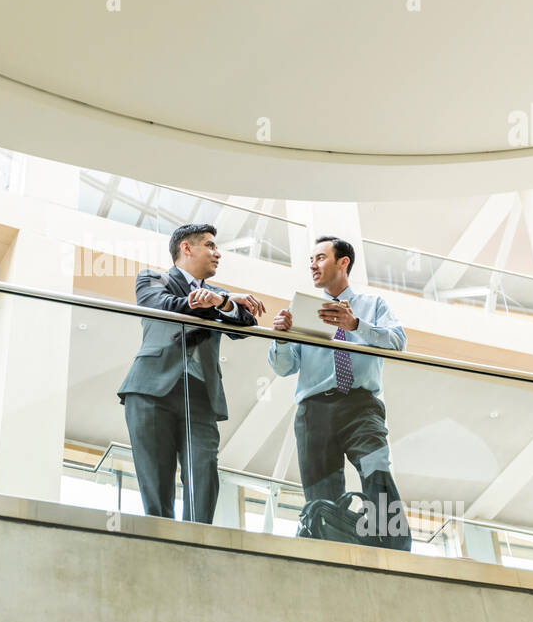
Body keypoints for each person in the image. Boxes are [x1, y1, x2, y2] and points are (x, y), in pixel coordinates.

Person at [269, 236, 411, 550]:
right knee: (322, 492)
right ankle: (332, 553)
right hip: (314, 411)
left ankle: (394, 549)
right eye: (310, 260)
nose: (312, 266)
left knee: (376, 471)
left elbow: (398, 341)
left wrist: (356, 324)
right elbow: (284, 367)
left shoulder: (372, 306)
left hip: (361, 406)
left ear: (342, 262)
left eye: (319, 258)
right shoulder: (304, 311)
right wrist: (279, 338)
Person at [118, 223, 265, 523]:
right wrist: (212, 302)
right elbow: (164, 305)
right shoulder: (152, 278)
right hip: (150, 391)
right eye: (210, 246)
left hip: (201, 395)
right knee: (155, 484)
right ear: (186, 248)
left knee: (203, 475)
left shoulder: (219, 295)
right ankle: (160, 549)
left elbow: (247, 325)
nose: (218, 254)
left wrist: (222, 300)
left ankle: (198, 546)